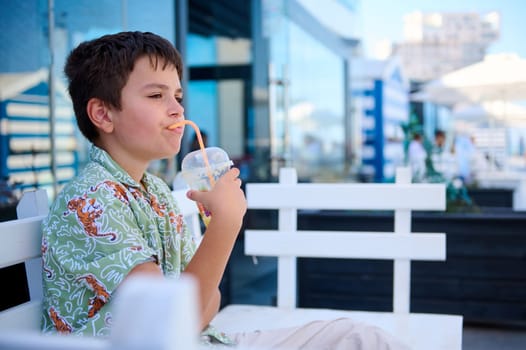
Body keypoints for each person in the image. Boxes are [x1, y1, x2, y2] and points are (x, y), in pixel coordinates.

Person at [41, 31, 408, 349]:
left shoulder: (153, 191)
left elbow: (206, 304)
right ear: (103, 115)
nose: (176, 109)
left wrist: (197, 288)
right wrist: (226, 223)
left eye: (178, 95)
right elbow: (166, 324)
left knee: (358, 339)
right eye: (156, 96)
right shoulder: (90, 201)